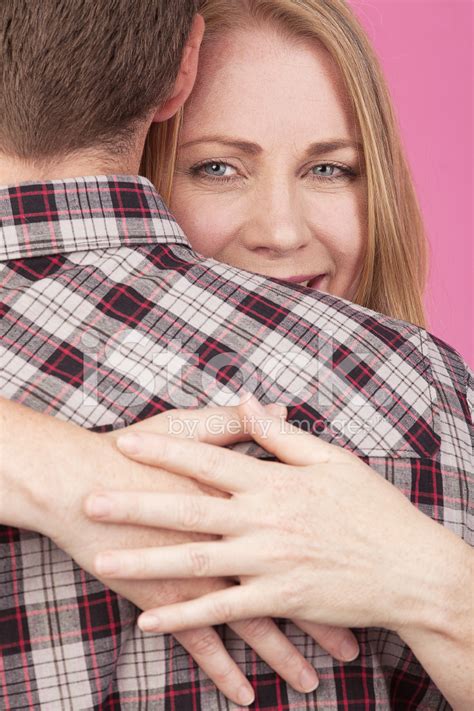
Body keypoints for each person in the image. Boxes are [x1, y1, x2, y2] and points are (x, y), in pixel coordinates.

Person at [0, 1, 471, 710]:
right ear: (169, 94)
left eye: (331, 169)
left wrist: (436, 582)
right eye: (217, 167)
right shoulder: (407, 390)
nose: (280, 231)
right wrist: (65, 467)